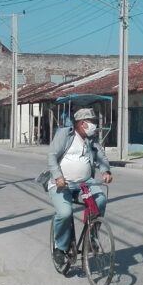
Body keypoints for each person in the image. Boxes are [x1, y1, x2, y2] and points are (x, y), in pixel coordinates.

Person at [47, 108, 113, 268]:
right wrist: (58, 176)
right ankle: (60, 248)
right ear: (83, 124)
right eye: (92, 122)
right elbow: (52, 157)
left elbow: (101, 157)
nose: (95, 125)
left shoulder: (92, 139)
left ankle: (92, 237)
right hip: (62, 184)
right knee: (65, 213)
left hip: (85, 183)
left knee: (101, 200)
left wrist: (106, 171)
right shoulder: (64, 134)